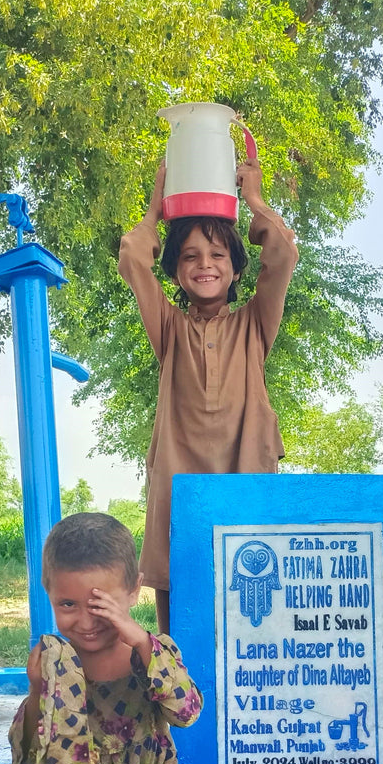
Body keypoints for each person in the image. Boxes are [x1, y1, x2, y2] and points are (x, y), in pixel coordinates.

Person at [118, 156, 298, 633]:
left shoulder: (255, 324)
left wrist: (254, 200)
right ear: (176, 271)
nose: (205, 265)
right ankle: (172, 695)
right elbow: (133, 256)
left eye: (218, 256)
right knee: (175, 598)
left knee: (249, 597)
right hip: (178, 476)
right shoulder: (169, 327)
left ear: (236, 271)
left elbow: (282, 255)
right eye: (191, 256)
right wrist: (157, 207)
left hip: (244, 470)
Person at [7, 512, 204, 764]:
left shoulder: (152, 654)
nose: (85, 621)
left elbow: (187, 712)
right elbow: (29, 762)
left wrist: (144, 644)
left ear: (133, 591)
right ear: (48, 592)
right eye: (67, 604)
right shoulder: (56, 664)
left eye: (100, 605)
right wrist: (37, 692)